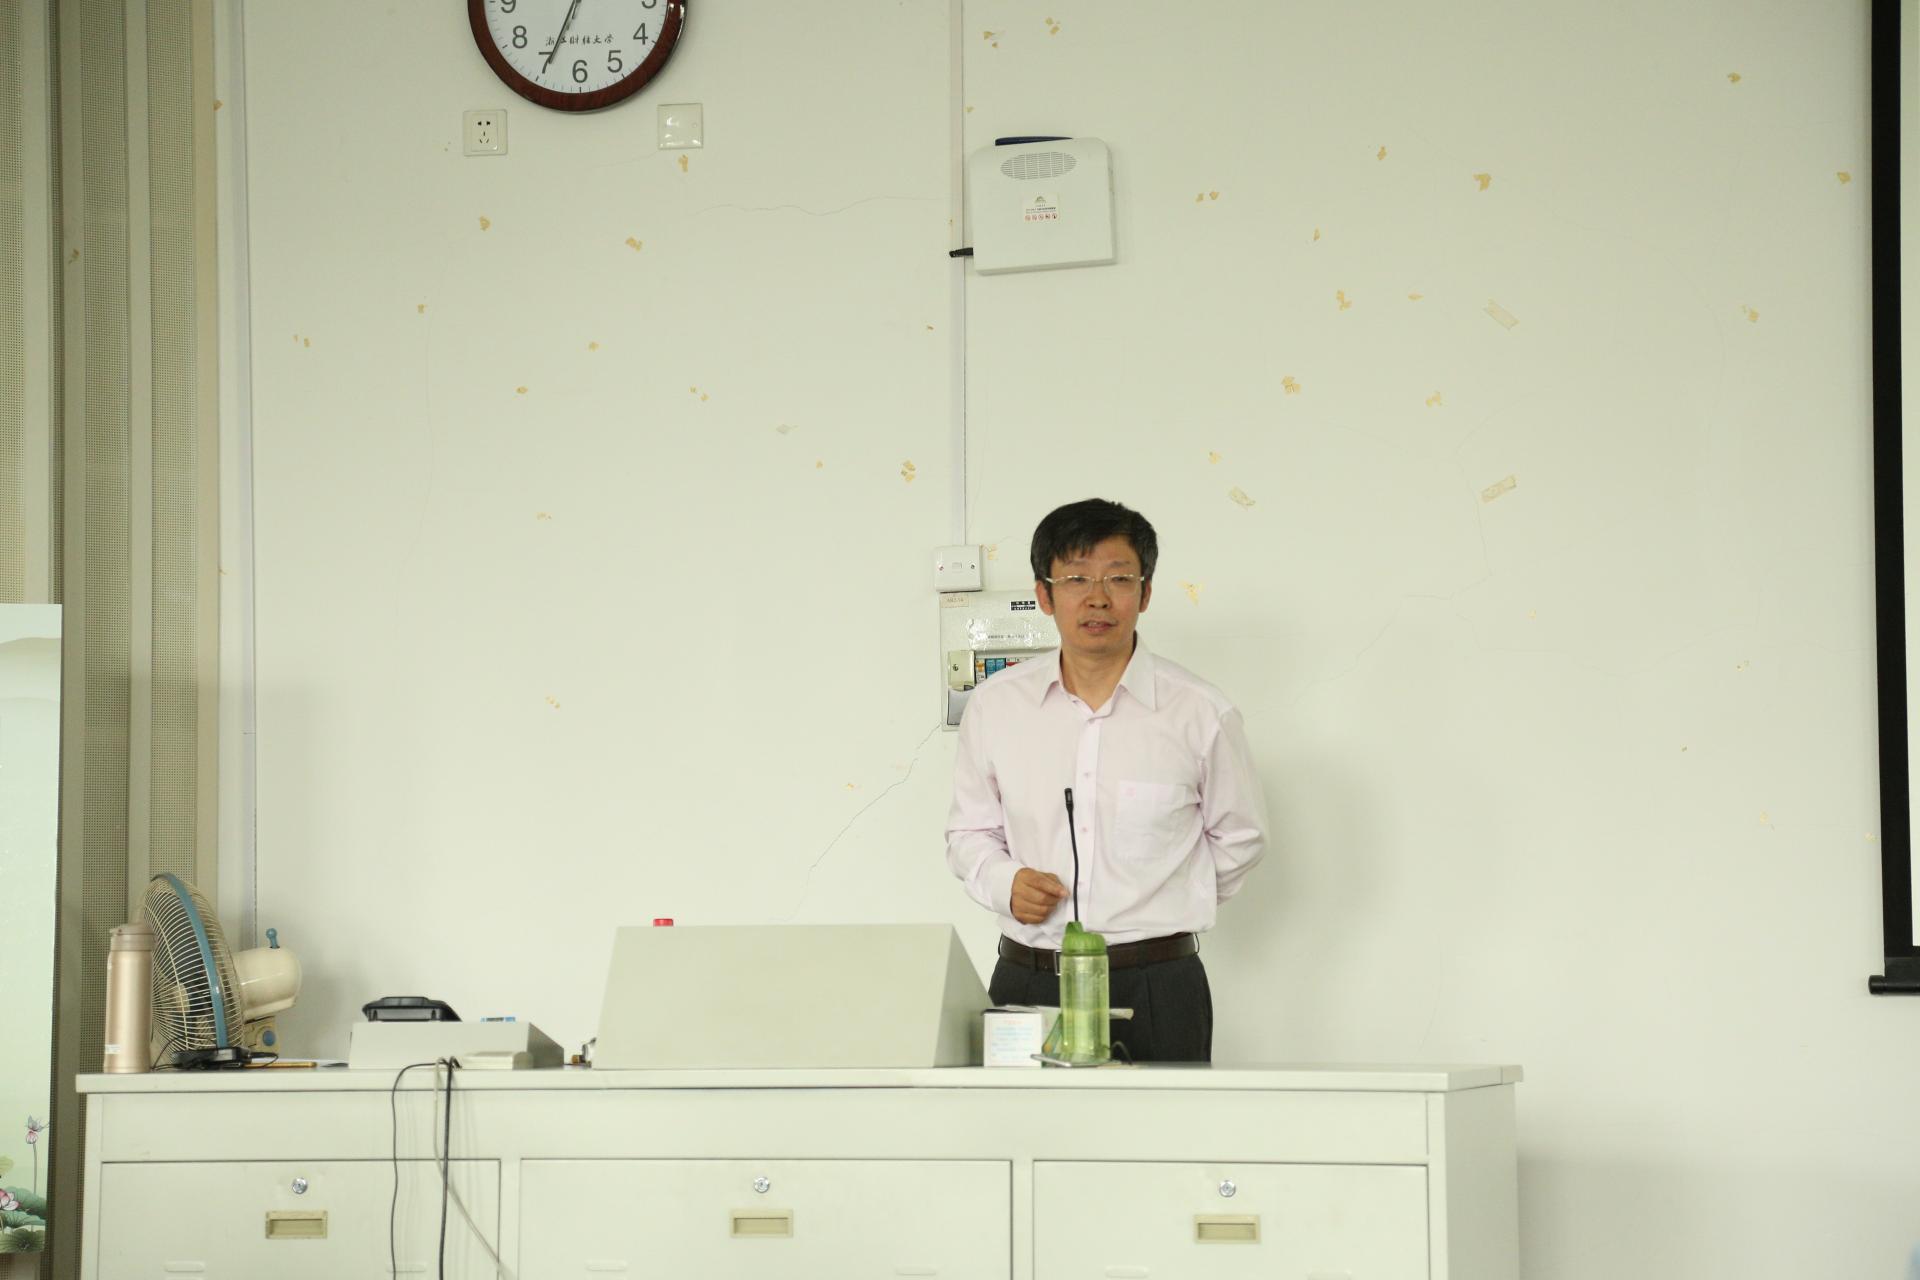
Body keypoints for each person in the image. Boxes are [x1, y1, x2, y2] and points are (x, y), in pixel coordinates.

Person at [945, 498, 1269, 1063]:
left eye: (1119, 578)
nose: (1098, 597)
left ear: (1145, 593)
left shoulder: (1199, 712)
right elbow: (968, 832)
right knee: (1020, 1122)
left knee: (1162, 1124)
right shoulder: (996, 708)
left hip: (1158, 985)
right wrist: (1004, 882)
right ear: (1044, 595)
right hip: (1029, 979)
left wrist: (1162, 899)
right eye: (1076, 579)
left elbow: (1240, 837)